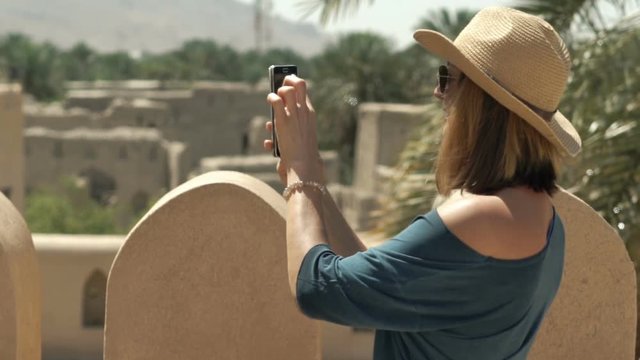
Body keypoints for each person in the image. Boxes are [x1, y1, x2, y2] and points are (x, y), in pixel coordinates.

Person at [264, 7, 582, 360]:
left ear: (481, 104)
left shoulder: (479, 219)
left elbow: (316, 289)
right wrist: (316, 183)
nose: (437, 92)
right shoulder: (547, 221)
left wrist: (300, 173)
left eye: (449, 78)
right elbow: (380, 283)